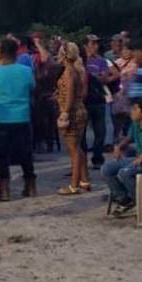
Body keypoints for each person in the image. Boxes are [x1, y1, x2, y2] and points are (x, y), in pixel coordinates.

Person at [0, 39, 36, 201]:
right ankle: (30, 186)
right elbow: (32, 88)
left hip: (2, 118)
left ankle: (4, 190)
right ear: (16, 52)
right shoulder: (27, 71)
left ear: (1, 53)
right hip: (23, 116)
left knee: (2, 155)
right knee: (26, 153)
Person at [102, 97, 142, 215]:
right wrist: (119, 146)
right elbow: (129, 138)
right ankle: (124, 199)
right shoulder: (135, 124)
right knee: (107, 168)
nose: (131, 111)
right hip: (140, 160)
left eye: (135, 109)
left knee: (124, 172)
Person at [56, 42, 90, 195]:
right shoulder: (75, 70)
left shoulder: (69, 72)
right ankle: (84, 180)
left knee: (73, 149)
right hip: (78, 110)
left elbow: (70, 94)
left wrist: (65, 112)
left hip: (72, 112)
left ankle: (74, 185)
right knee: (77, 147)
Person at [82, 34, 109, 169]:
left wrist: (91, 77)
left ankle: (97, 158)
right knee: (81, 132)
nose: (95, 46)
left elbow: (104, 78)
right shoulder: (81, 60)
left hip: (98, 99)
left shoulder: (101, 61)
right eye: (92, 43)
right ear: (85, 46)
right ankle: (81, 160)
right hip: (84, 101)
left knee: (100, 131)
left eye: (96, 43)